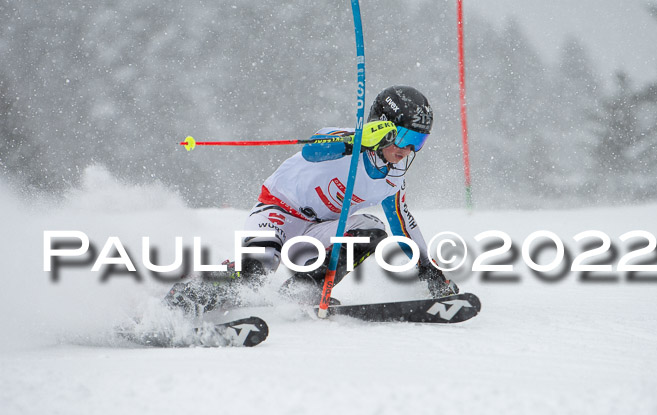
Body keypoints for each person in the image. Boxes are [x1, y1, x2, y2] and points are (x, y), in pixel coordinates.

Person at [166, 85, 459, 315]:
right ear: (382, 127)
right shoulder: (347, 139)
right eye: (406, 137)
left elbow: (402, 223)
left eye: (418, 142)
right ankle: (187, 297)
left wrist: (428, 270)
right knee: (257, 270)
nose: (408, 149)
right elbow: (313, 150)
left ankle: (302, 293)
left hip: (320, 229)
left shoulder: (393, 176)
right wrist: (354, 142)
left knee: (373, 230)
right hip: (279, 211)